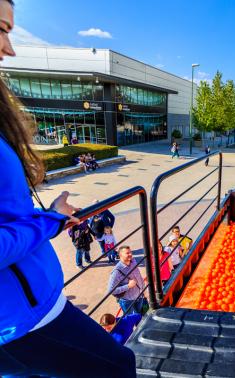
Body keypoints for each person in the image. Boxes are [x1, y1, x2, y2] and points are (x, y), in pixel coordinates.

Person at [0, 2, 135, 375]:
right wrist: (51, 220)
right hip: (20, 320)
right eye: (1, 29)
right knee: (120, 366)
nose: (9, 48)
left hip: (25, 308)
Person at [108, 246, 147, 315]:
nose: (130, 254)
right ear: (120, 255)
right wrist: (128, 286)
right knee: (129, 318)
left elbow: (139, 276)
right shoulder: (116, 272)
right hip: (127, 301)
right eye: (127, 253)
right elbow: (111, 290)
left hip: (139, 296)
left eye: (130, 252)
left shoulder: (133, 261)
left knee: (139, 315)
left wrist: (144, 290)